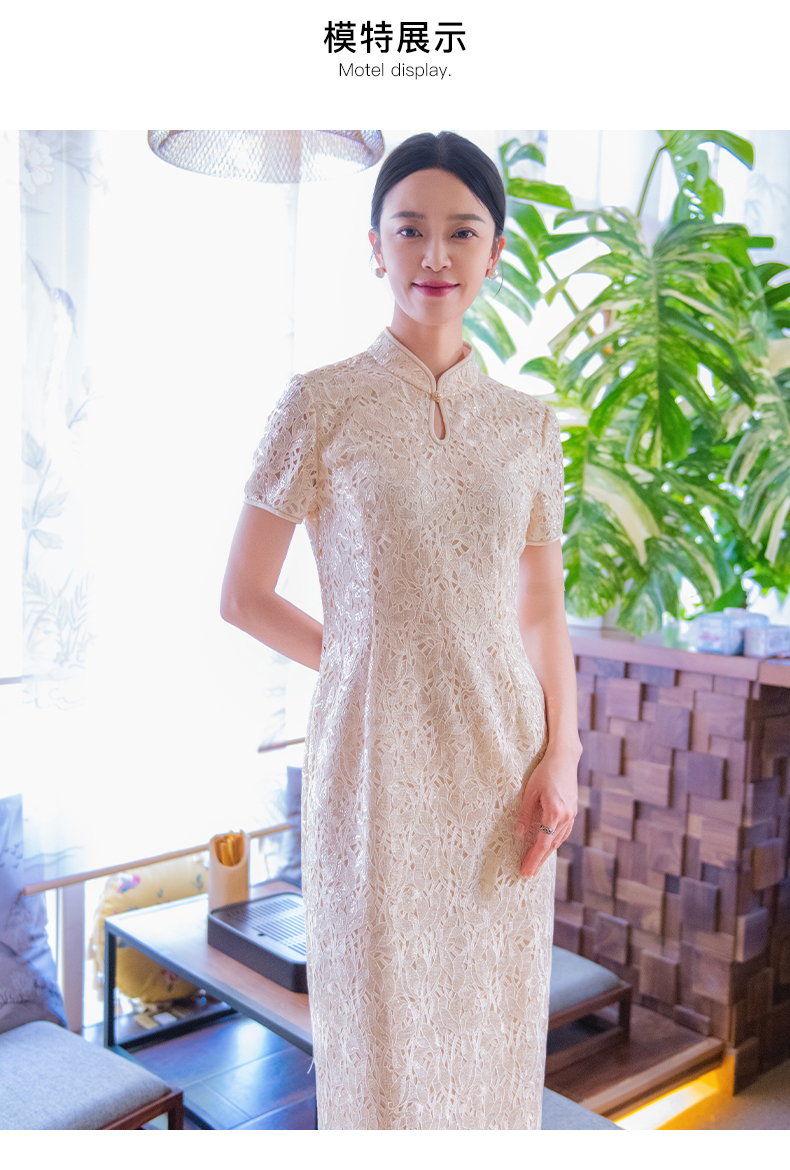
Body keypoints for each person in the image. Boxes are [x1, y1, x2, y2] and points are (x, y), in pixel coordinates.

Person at [220, 131, 581, 1130]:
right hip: (374, 761)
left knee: (492, 1034)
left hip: (503, 761)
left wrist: (563, 754)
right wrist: (366, 665)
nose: (435, 255)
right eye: (409, 229)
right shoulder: (320, 402)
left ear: (494, 252)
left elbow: (541, 607)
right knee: (381, 1036)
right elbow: (243, 596)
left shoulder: (529, 425)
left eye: (461, 232)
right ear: (373, 247)